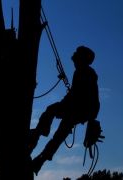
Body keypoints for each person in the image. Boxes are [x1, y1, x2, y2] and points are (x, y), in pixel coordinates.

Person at [28, 45, 101, 175]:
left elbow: (79, 96)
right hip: (80, 110)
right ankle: (40, 159)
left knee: (53, 114)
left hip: (80, 109)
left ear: (81, 59)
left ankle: (37, 137)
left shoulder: (85, 73)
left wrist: (63, 106)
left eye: (76, 58)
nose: (74, 61)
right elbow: (74, 94)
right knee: (60, 133)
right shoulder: (82, 72)